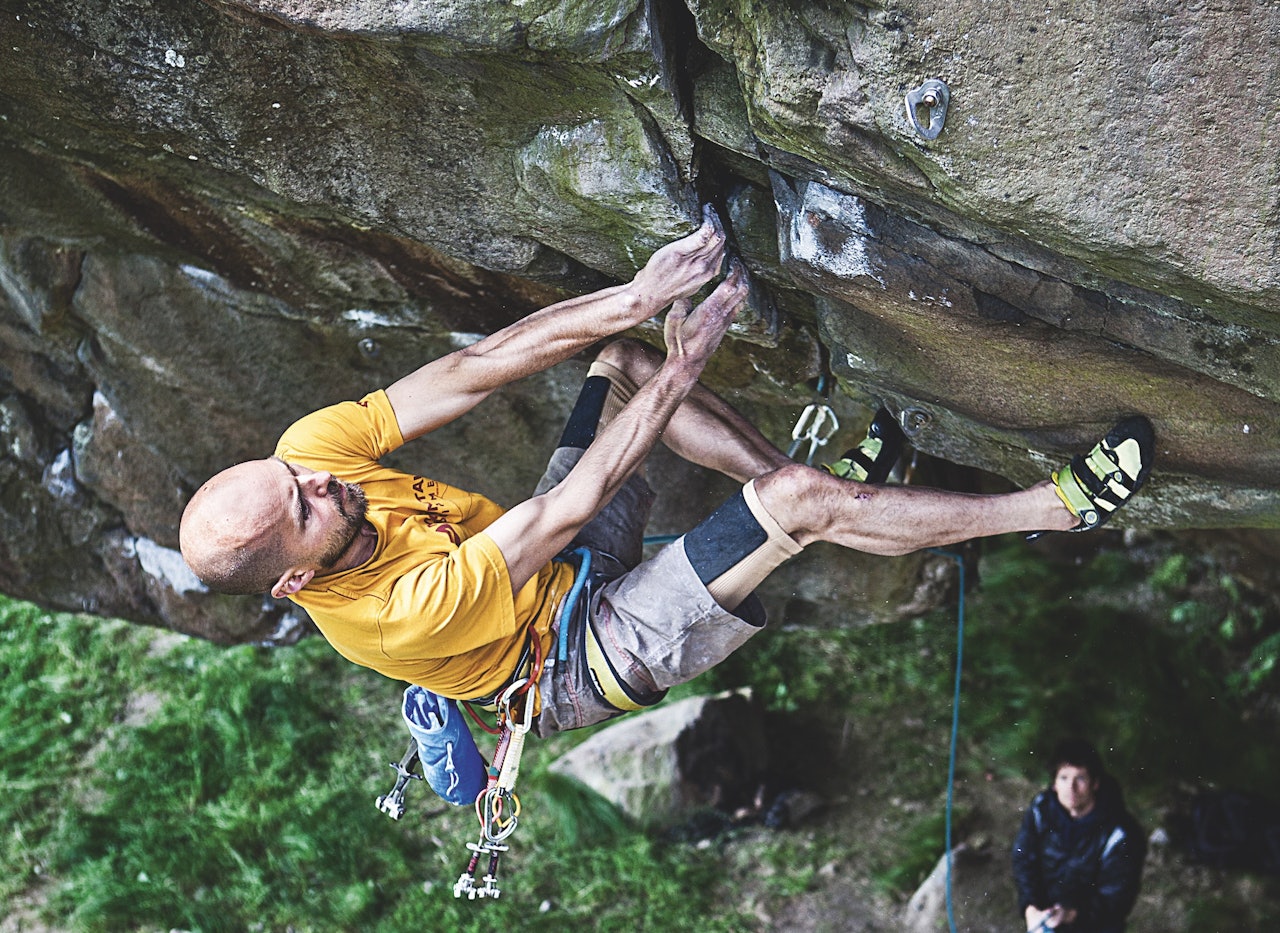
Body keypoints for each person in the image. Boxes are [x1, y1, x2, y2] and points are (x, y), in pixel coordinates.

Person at [179, 208, 1156, 736]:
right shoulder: (397, 615)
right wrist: (687, 365)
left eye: (296, 473)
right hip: (575, 658)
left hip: (548, 569)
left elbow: (471, 370)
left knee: (624, 365)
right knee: (789, 502)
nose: (319, 480)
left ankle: (834, 486)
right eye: (304, 506)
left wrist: (635, 300)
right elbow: (570, 506)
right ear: (294, 578)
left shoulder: (309, 455)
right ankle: (1052, 507)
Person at [1012, 739, 1147, 932]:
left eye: (1080, 779)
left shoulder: (1121, 833)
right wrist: (1030, 909)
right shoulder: (1040, 810)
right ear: (1054, 783)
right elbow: (1024, 860)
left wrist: (1071, 914)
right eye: (1064, 778)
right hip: (1047, 919)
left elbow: (1117, 897)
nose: (1071, 788)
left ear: (1095, 783)